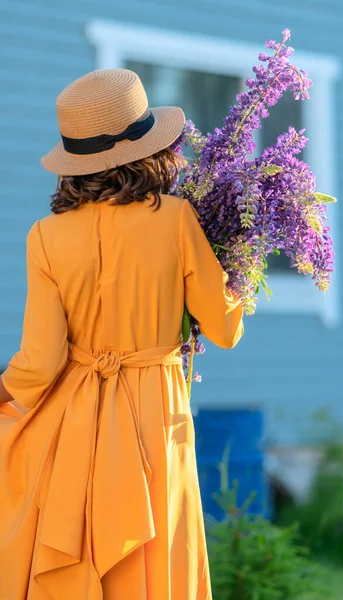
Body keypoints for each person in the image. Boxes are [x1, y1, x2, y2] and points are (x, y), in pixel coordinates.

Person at [0, 69, 243, 599]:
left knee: (81, 548)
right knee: (154, 550)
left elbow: (39, 361)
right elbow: (223, 330)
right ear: (149, 149)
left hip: (74, 416)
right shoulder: (178, 220)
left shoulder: (44, 235)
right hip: (155, 408)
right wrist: (233, 274)